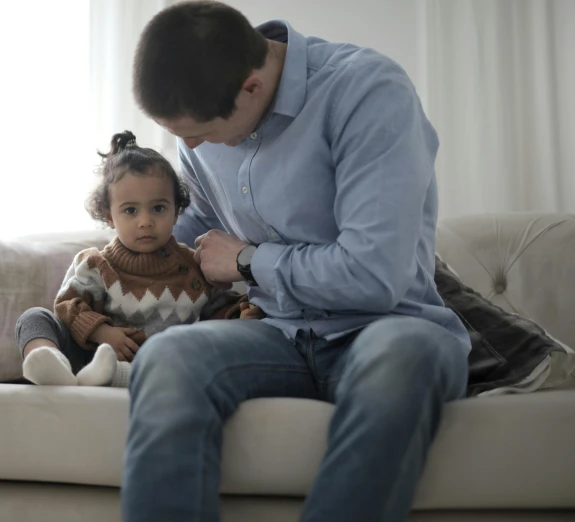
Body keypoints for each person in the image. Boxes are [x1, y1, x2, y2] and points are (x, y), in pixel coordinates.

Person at [124, 2, 472, 521]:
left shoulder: (367, 92)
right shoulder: (203, 119)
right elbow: (192, 240)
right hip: (277, 332)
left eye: (197, 134)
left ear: (252, 87)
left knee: (403, 361)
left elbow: (372, 275)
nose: (188, 146)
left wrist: (247, 261)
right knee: (167, 358)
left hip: (389, 326)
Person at [15, 130, 260, 388]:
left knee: (191, 356)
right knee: (33, 318)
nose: (145, 222)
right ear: (109, 216)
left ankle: (115, 376)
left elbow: (219, 309)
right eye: (130, 210)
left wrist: (242, 312)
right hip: (89, 358)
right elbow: (67, 307)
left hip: (159, 366)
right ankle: (49, 362)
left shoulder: (193, 268)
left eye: (158, 208)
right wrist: (102, 332)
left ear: (176, 211)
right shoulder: (96, 265)